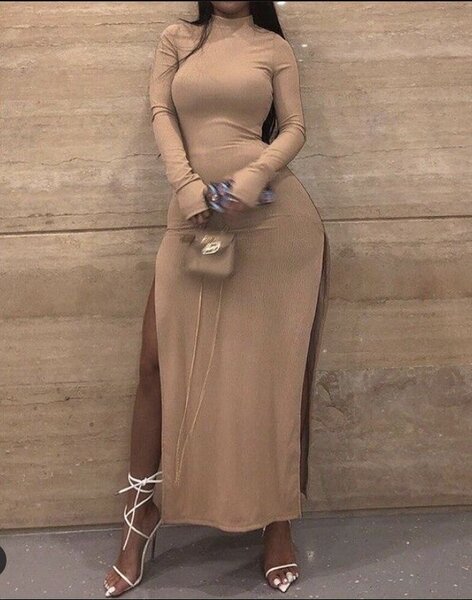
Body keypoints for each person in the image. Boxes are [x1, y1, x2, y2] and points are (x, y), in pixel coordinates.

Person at [103, 1, 330, 596]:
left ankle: (277, 520)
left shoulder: (272, 47)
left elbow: (295, 127)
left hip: (268, 222)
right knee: (156, 366)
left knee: (270, 374)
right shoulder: (179, 38)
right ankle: (140, 517)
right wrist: (185, 187)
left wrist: (254, 177)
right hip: (197, 221)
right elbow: (160, 110)